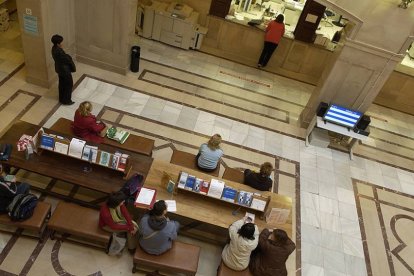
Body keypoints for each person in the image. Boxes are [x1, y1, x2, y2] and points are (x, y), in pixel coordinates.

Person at [51, 34, 76, 105]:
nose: (62, 43)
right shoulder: (59, 52)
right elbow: (67, 59)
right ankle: (67, 100)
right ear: (58, 43)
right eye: (61, 42)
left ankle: (61, 98)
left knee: (62, 84)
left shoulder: (54, 48)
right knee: (68, 85)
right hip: (65, 71)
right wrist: (68, 56)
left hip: (59, 69)